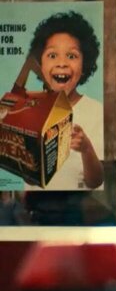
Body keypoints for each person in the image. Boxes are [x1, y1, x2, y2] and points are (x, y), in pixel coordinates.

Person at [24, 11, 104, 191]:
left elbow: (96, 181)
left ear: (85, 65)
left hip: (78, 205)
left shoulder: (97, 112)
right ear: (40, 65)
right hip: (35, 205)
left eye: (71, 56)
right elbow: (28, 179)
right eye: (52, 55)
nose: (62, 63)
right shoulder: (28, 109)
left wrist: (86, 149)